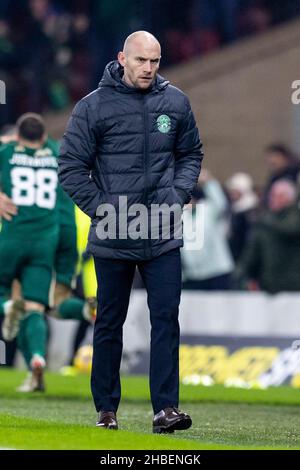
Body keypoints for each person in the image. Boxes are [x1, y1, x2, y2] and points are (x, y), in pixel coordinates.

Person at [58, 30, 203, 433]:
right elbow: (70, 168)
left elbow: (191, 153)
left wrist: (177, 193)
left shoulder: (175, 102)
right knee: (109, 321)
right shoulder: (93, 107)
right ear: (122, 58)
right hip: (114, 231)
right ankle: (106, 410)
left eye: (155, 61)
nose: (149, 68)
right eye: (141, 60)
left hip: (161, 231)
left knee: (166, 318)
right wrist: (105, 212)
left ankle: (165, 410)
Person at [237, 179, 300, 294]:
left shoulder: (293, 218)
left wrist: (266, 222)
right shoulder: (263, 224)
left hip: (294, 287)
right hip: (269, 288)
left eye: (279, 196)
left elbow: (290, 229)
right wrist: (245, 278)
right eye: (272, 195)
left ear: (290, 198)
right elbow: (251, 254)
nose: (274, 199)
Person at [181, 169, 234, 290]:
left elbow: (220, 202)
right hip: (192, 275)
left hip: (217, 271)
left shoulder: (209, 209)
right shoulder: (180, 216)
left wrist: (209, 181)